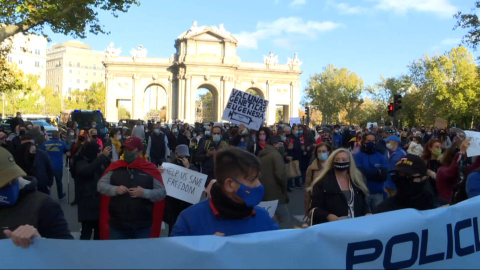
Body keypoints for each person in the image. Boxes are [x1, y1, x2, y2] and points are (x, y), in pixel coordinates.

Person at [171, 148, 278, 236]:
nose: (258, 185)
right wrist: (202, 247)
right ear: (229, 185)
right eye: (251, 180)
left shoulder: (264, 217)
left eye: (258, 178)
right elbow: (175, 258)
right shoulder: (190, 220)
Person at [0, 147, 73, 246]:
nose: (9, 184)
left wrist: (40, 241)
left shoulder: (43, 205)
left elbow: (68, 250)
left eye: (12, 179)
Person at [97, 136, 166, 240]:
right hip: (118, 224)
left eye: (130, 149)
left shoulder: (150, 169)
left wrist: (144, 193)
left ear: (140, 151)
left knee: (139, 255)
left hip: (142, 225)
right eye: (125, 149)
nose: (127, 152)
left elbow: (161, 193)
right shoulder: (115, 167)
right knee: (118, 254)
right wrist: (115, 190)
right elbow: (100, 185)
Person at [308, 148, 371, 225]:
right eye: (337, 160)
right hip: (334, 227)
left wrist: (367, 213)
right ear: (332, 162)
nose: (340, 162)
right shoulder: (322, 182)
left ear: (350, 162)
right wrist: (328, 216)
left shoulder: (357, 180)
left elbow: (364, 203)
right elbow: (314, 209)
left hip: (357, 226)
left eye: (344, 160)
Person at [76, 142, 111, 240]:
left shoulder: (99, 162)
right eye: (98, 151)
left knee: (99, 234)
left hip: (98, 204)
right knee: (86, 233)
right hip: (87, 204)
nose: (100, 153)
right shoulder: (80, 163)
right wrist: (102, 157)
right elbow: (87, 171)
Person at [161, 145, 197, 235]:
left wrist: (188, 168)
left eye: (186, 157)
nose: (184, 159)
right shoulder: (169, 167)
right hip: (173, 205)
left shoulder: (191, 167)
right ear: (176, 155)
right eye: (182, 157)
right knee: (173, 229)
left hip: (186, 204)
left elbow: (196, 181)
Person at [258, 135, 290, 229]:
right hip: (276, 192)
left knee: (268, 219)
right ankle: (282, 240)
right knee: (284, 219)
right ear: (275, 144)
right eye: (280, 144)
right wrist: (284, 188)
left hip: (264, 192)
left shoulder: (262, 155)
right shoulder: (276, 155)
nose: (281, 146)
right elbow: (280, 174)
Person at [436, 139, 480, 204]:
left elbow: (473, 168)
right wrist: (461, 152)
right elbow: (452, 172)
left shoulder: (463, 169)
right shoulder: (442, 170)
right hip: (446, 203)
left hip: (457, 202)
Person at [354, 133, 388, 212]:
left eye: (373, 141)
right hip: (363, 194)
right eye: (368, 141)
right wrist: (377, 172)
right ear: (363, 142)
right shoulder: (358, 156)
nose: (371, 143)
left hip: (378, 193)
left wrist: (368, 173)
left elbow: (384, 176)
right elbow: (360, 175)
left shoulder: (380, 156)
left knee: (378, 217)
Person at [305, 142, 332, 216]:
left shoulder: (333, 166)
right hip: (317, 201)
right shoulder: (311, 169)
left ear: (328, 152)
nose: (321, 153)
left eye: (324, 151)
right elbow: (308, 188)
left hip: (332, 201)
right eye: (319, 151)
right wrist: (307, 207)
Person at [41, 131, 70, 200]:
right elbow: (67, 152)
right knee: (59, 181)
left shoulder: (45, 144)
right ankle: (60, 195)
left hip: (48, 166)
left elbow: (41, 153)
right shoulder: (62, 143)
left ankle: (47, 195)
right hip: (58, 166)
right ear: (58, 136)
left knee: (48, 182)